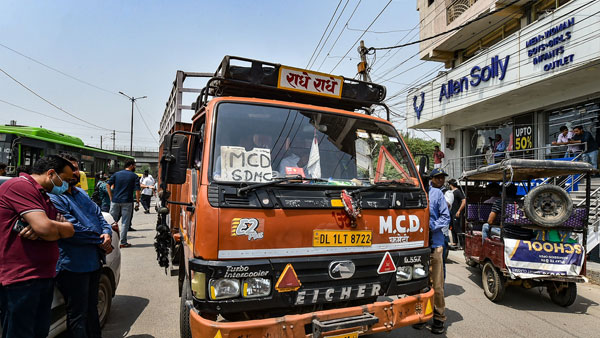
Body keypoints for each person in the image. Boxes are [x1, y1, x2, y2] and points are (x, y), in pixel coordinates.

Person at [0, 155, 75, 338]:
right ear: (51, 173)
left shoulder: (44, 195)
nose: (66, 185)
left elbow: (69, 229)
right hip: (21, 278)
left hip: (43, 275)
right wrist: (47, 227)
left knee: (39, 331)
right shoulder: (20, 186)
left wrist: (50, 228)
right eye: (64, 180)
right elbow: (46, 228)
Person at [49, 156, 112, 338]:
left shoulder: (81, 194)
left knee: (92, 308)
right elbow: (72, 229)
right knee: (78, 314)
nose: (74, 173)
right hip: (72, 265)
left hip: (93, 260)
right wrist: (100, 239)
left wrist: (106, 233)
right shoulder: (54, 198)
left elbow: (99, 216)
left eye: (76, 169)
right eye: (70, 170)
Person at [413, 168, 450, 334]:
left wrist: (431, 226)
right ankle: (420, 315)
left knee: (437, 285)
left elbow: (445, 217)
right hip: (416, 247)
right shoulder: (413, 193)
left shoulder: (437, 194)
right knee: (419, 284)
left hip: (434, 245)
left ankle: (439, 317)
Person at [107, 159, 140, 248]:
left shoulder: (117, 174)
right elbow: (137, 190)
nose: (135, 167)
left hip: (115, 201)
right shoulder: (134, 176)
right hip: (127, 202)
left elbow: (108, 184)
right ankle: (123, 242)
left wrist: (111, 197)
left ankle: (108, 240)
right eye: (134, 165)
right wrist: (137, 201)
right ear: (131, 165)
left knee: (111, 221)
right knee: (125, 222)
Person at [448, 179, 466, 249]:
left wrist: (459, 211)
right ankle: (455, 242)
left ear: (451, 185)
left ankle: (462, 244)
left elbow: (464, 201)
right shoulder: (451, 192)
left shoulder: (458, 191)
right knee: (452, 227)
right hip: (451, 212)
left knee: (457, 228)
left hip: (456, 212)